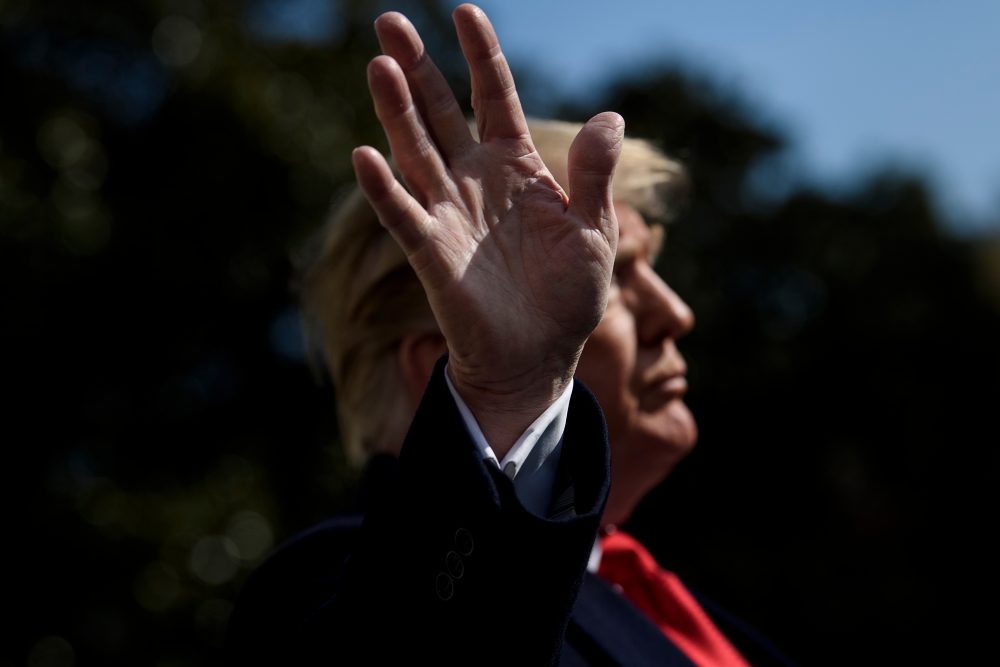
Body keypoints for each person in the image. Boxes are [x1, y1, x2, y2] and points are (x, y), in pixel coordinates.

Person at [226, 4, 793, 665]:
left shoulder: (686, 609)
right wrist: (512, 391)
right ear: (445, 355)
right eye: (618, 276)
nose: (677, 312)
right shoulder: (329, 582)